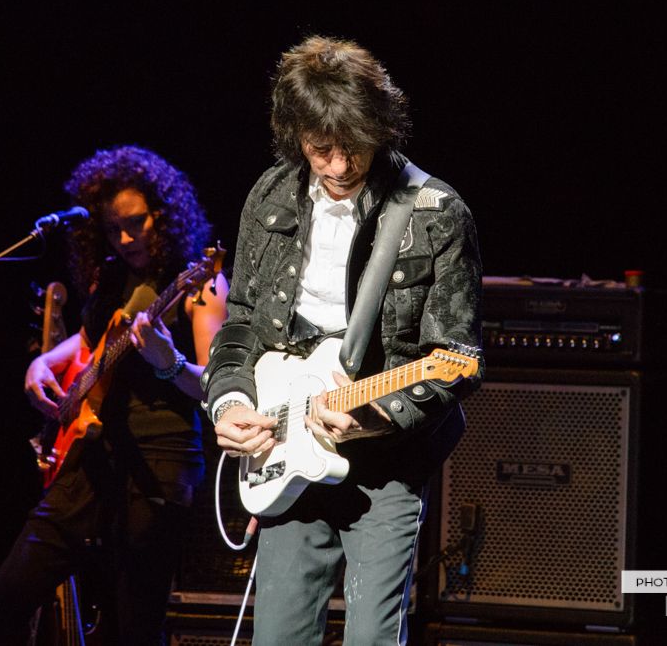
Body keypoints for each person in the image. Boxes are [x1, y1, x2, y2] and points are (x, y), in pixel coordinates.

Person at [201, 35, 484, 645]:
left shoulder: (435, 211)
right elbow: (243, 321)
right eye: (319, 149)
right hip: (288, 442)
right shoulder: (270, 196)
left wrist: (379, 416)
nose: (336, 166)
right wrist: (229, 403)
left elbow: (458, 359)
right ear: (296, 136)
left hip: (386, 465)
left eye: (351, 147)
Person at [0, 145, 228, 645]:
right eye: (112, 227)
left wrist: (170, 363)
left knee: (132, 628)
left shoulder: (201, 283)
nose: (124, 238)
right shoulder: (112, 275)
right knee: (5, 598)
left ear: (163, 213)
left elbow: (218, 385)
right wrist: (43, 362)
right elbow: (96, 343)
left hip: (160, 461)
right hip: (91, 454)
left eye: (136, 223)